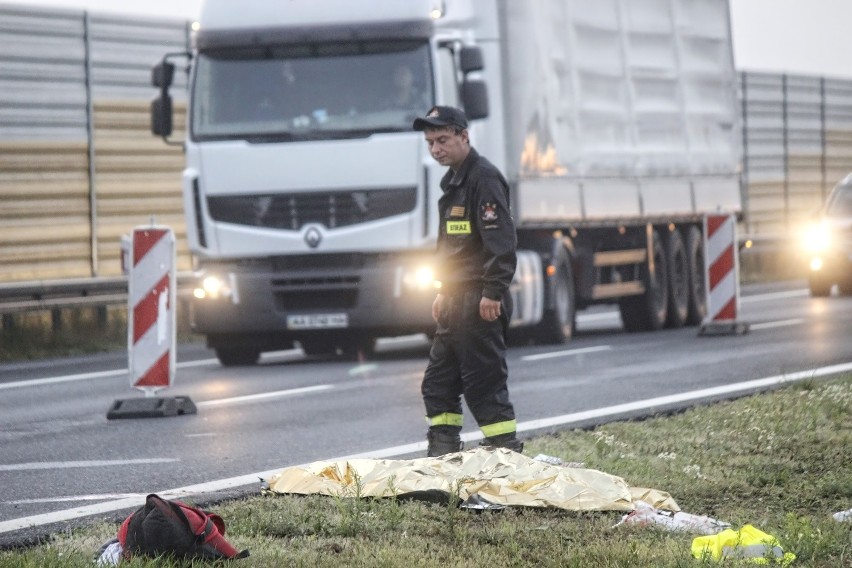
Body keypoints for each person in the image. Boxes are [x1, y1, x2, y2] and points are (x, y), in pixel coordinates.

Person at [413, 105, 523, 457]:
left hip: (478, 300)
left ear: (464, 136)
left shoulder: (483, 179)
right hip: (455, 300)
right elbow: (453, 248)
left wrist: (493, 292)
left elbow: (500, 242)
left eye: (443, 139)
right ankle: (444, 460)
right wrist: (443, 290)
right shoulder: (455, 180)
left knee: (484, 386)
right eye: (430, 142)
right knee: (438, 384)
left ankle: (507, 458)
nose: (436, 149)